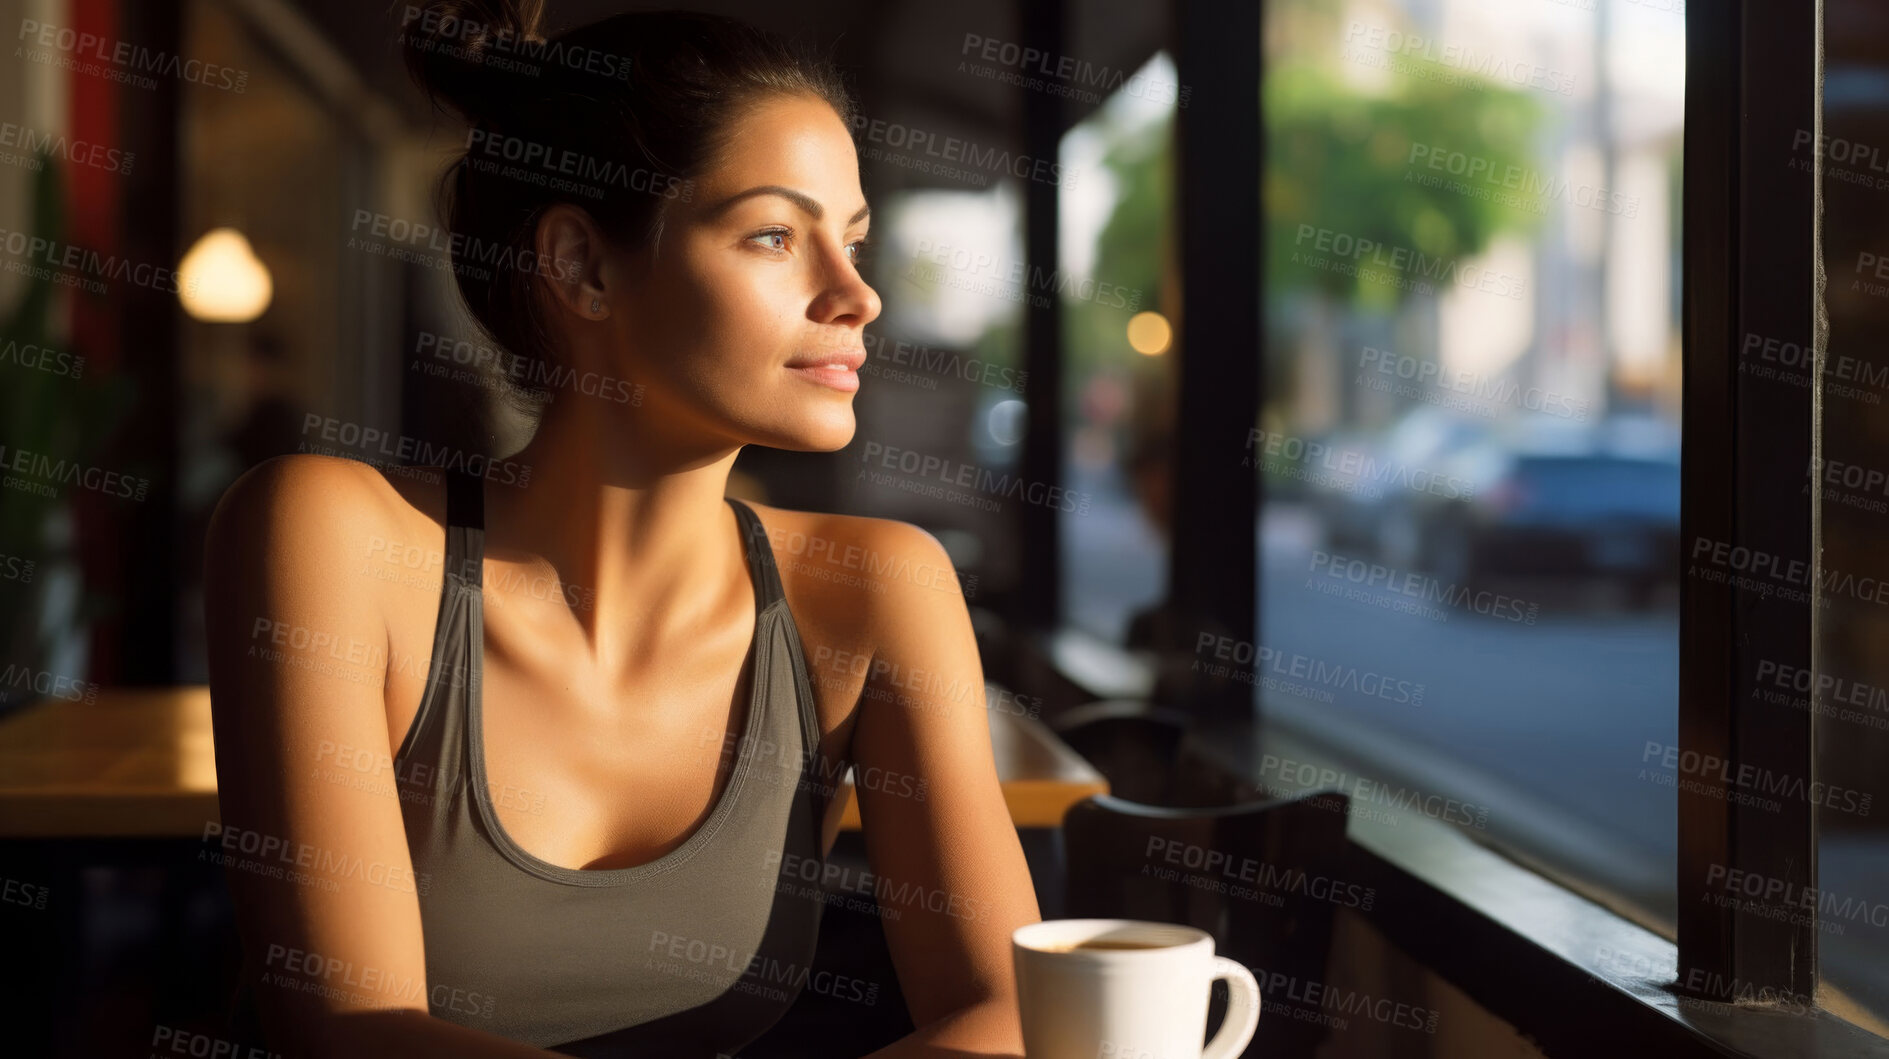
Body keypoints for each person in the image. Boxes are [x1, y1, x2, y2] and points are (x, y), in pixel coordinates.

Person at [200, 5, 1040, 1056]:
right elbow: (347, 1031)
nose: (856, 295)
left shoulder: (876, 590)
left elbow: (1009, 1011)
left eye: (854, 241)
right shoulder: (332, 538)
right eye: (776, 235)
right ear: (582, 268)